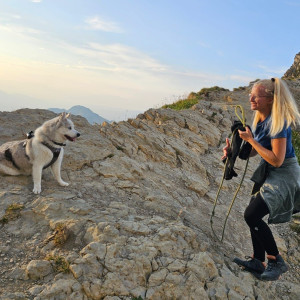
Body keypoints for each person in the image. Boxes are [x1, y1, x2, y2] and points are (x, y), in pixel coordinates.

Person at [222, 77, 300, 281]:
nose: (251, 99)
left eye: (256, 96)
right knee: (252, 213)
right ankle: (258, 260)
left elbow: (276, 159)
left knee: (251, 215)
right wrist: (233, 149)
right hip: (272, 172)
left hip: (284, 173)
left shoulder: (278, 122)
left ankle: (276, 260)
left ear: (270, 99)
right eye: (251, 95)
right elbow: (256, 152)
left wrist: (251, 141)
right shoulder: (261, 120)